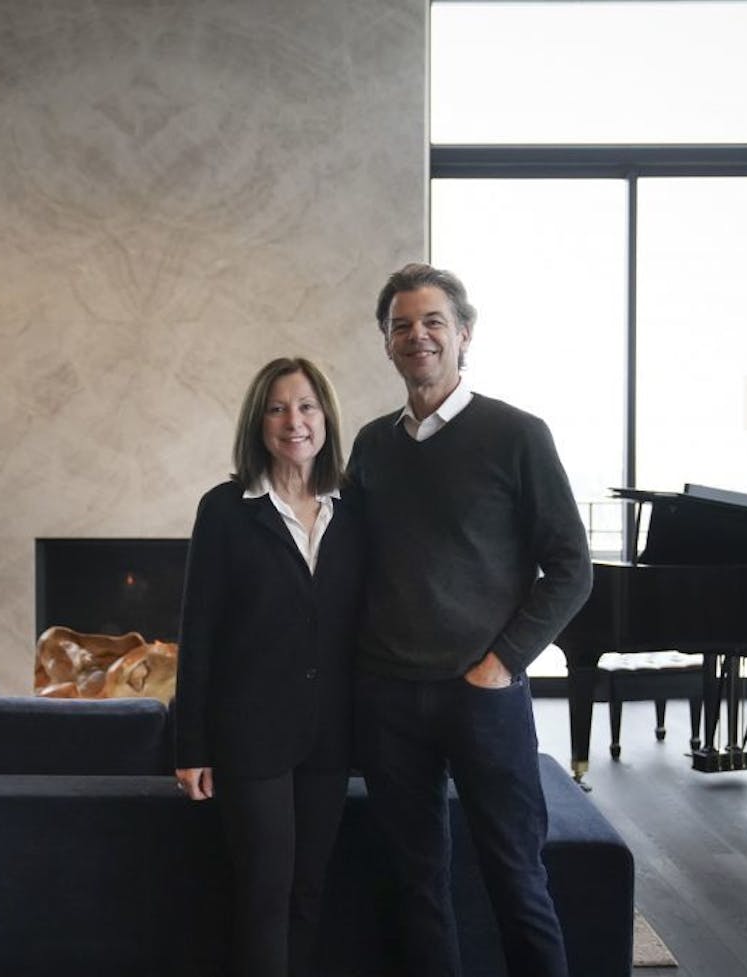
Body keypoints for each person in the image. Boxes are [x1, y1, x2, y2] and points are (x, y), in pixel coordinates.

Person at [346, 263, 593, 977]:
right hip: (389, 696)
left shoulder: (517, 434)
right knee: (415, 885)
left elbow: (573, 567)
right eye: (401, 325)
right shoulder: (371, 445)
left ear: (463, 334)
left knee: (516, 876)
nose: (416, 336)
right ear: (387, 344)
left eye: (431, 322)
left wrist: (503, 664)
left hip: (482, 695)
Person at [174, 356, 362, 977]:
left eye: (307, 406)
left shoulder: (356, 508)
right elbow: (197, 631)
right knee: (264, 894)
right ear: (258, 422)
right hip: (249, 737)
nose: (294, 421)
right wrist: (191, 743)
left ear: (326, 418)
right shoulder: (226, 510)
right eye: (278, 408)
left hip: (331, 736)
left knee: (310, 893)